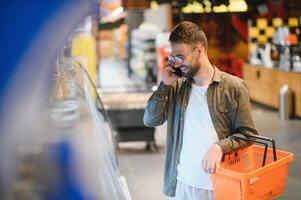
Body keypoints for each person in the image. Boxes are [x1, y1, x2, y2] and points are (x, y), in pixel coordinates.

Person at [143, 21, 257, 200]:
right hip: (182, 184)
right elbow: (150, 120)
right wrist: (164, 85)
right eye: (173, 57)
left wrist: (219, 146)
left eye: (180, 56)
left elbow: (248, 134)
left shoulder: (233, 87)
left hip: (220, 186)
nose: (176, 63)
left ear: (199, 50)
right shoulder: (176, 85)